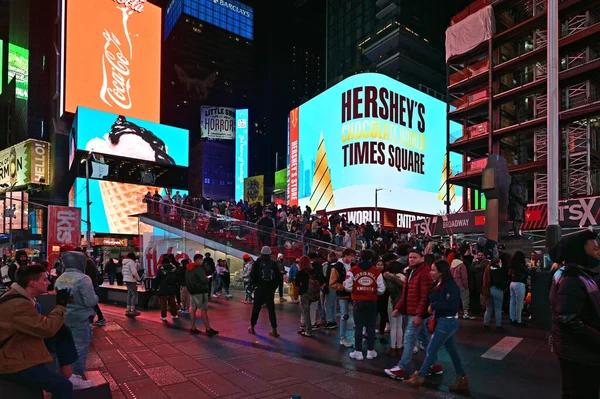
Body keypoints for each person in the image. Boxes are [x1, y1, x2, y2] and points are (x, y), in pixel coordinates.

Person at [0, 265, 75, 398]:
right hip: (10, 360)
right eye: (45, 279)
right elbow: (47, 329)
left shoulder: (20, 298)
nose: (49, 282)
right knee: (63, 386)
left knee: (62, 331)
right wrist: (60, 306)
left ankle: (68, 372)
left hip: (17, 346)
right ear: (33, 283)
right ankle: (68, 377)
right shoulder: (18, 305)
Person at [403, 260, 469, 393]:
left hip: (447, 321)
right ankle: (462, 378)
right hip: (442, 321)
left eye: (433, 270)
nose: (430, 272)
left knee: (431, 349)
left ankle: (419, 377)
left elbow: (451, 306)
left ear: (441, 272)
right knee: (452, 351)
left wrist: (433, 306)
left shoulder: (450, 286)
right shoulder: (438, 285)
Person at [549, 230, 600, 398]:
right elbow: (568, 319)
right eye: (594, 249)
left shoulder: (581, 275)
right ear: (579, 251)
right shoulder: (571, 278)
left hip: (580, 351)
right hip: (578, 353)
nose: (598, 252)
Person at [385, 250, 441, 380]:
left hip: (417, 313)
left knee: (409, 339)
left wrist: (419, 315)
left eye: (414, 257)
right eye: (410, 257)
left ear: (422, 258)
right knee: (425, 340)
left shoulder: (423, 273)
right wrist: (399, 307)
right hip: (414, 311)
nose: (411, 259)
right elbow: (406, 294)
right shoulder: (411, 272)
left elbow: (425, 296)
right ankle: (435, 364)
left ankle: (401, 368)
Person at [55, 251, 99, 380]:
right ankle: (77, 377)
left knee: (65, 350)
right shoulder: (83, 279)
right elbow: (90, 301)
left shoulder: (60, 278)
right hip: (81, 319)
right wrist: (96, 296)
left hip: (64, 317)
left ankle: (64, 376)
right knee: (80, 349)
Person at [344, 250, 385, 361]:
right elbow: (381, 290)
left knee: (358, 326)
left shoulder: (353, 270)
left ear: (360, 258)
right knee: (371, 327)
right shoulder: (377, 272)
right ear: (371, 259)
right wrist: (371, 292)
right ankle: (370, 351)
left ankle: (358, 351)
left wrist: (358, 291)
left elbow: (347, 287)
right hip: (372, 302)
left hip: (358, 302)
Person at [248, 246, 281, 337]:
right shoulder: (273, 263)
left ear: (261, 253)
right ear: (270, 253)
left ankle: (252, 327)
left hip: (260, 289)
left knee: (256, 309)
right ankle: (274, 330)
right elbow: (278, 277)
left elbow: (252, 276)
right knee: (271, 310)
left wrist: (255, 286)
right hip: (269, 290)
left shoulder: (258, 262)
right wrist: (273, 288)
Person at [186, 254, 218, 336]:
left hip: (192, 292)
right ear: (198, 260)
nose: (202, 261)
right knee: (204, 310)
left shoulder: (188, 269)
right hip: (200, 292)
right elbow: (204, 280)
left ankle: (193, 328)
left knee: (193, 309)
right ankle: (208, 329)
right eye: (201, 260)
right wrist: (207, 278)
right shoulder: (198, 269)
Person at [384, 261, 406, 356]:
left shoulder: (387, 277)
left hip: (391, 301)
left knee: (393, 325)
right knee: (400, 325)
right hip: (402, 302)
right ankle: (400, 346)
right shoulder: (403, 277)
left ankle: (393, 347)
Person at [294, 256, 317, 337]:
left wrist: (295, 297)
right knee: (308, 311)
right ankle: (304, 327)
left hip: (304, 293)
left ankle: (308, 330)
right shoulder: (312, 271)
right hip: (313, 293)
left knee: (305, 311)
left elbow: (297, 285)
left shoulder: (300, 272)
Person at [482, 259, 507, 332]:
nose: (501, 263)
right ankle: (498, 325)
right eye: (500, 262)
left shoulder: (487, 268)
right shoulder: (497, 270)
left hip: (488, 289)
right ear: (497, 263)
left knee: (488, 308)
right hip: (497, 290)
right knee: (498, 309)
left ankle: (485, 324)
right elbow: (498, 281)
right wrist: (504, 286)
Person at [154, 256, 179, 321]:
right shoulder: (173, 267)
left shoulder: (161, 268)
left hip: (163, 286)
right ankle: (174, 315)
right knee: (172, 301)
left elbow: (158, 278)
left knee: (163, 302)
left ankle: (163, 316)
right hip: (172, 286)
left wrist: (156, 286)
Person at [508, 251, 529, 326]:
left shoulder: (512, 264)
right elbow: (528, 272)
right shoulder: (521, 265)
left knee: (512, 302)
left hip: (512, 283)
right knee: (519, 303)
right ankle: (518, 320)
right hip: (520, 283)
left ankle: (512, 318)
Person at [450, 254, 474, 320]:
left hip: (454, 285)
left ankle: (456, 313)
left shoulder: (452, 266)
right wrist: (466, 285)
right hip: (461, 284)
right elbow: (464, 276)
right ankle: (465, 313)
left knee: (455, 299)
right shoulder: (462, 265)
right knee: (465, 299)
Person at [122, 252, 141, 317]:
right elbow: (134, 272)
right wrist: (138, 279)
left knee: (129, 294)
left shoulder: (124, 262)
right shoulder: (131, 262)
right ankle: (133, 310)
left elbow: (122, 272)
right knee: (134, 294)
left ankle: (128, 309)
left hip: (126, 279)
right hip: (131, 280)